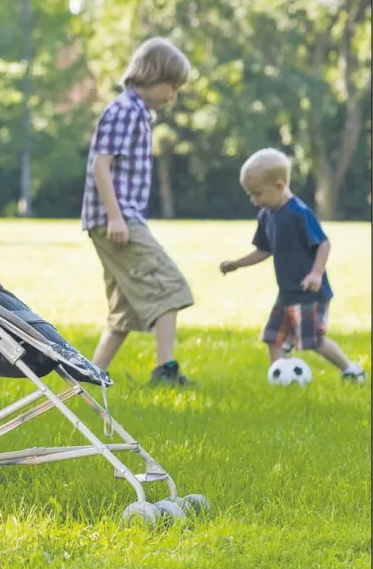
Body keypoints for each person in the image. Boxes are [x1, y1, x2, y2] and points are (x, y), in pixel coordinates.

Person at [81, 37, 195, 385]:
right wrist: (116, 217)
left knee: (124, 312)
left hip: (118, 219)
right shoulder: (125, 111)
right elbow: (102, 166)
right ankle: (165, 371)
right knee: (170, 288)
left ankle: (88, 377)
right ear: (152, 76)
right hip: (118, 220)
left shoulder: (139, 113)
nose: (173, 94)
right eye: (171, 86)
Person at [220, 148, 366, 382]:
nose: (254, 201)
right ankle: (281, 379)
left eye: (257, 194)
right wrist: (237, 264)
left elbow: (323, 244)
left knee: (313, 340)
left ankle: (351, 370)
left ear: (279, 186)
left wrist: (316, 274)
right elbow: (264, 249)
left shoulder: (299, 213)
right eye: (250, 194)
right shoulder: (267, 215)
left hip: (310, 293)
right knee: (273, 337)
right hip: (287, 293)